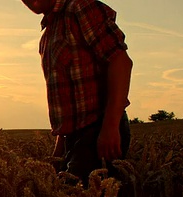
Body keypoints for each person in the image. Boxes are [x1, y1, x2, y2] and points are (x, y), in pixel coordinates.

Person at [21, 0, 133, 184]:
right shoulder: (49, 34)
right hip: (73, 137)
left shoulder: (80, 7)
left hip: (97, 129)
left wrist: (110, 127)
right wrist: (59, 151)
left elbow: (121, 62)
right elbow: (65, 98)